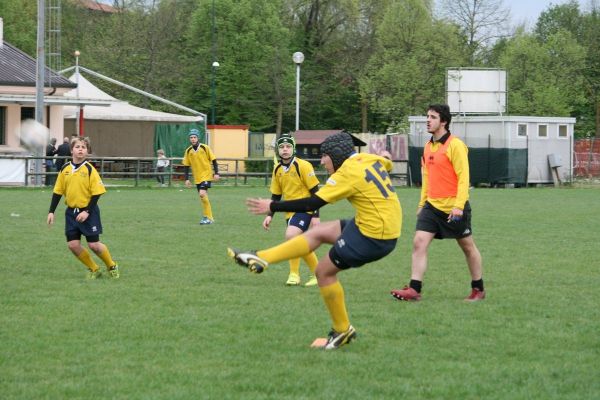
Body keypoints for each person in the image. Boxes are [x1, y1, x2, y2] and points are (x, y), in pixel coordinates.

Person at [228, 132, 402, 350]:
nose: (321, 161)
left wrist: (272, 206)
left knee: (323, 272)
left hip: (374, 235)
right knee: (317, 233)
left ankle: (343, 331)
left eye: (324, 156)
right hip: (379, 226)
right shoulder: (366, 158)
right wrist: (385, 154)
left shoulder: (348, 172)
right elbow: (386, 163)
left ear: (336, 156)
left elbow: (311, 203)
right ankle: (261, 258)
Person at [390, 104, 484, 302]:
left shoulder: (455, 145)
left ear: (444, 122)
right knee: (419, 242)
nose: (428, 120)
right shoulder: (428, 146)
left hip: (454, 208)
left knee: (467, 246)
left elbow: (463, 177)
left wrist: (458, 206)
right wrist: (421, 204)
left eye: (432, 117)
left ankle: (478, 288)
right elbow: (426, 178)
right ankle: (415, 289)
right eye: (427, 116)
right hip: (431, 207)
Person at [47, 137, 119, 280]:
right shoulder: (65, 169)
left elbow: (97, 192)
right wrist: (51, 211)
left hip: (88, 212)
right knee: (73, 245)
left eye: (84, 147)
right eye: (78, 146)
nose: (80, 149)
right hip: (71, 213)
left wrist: (87, 211)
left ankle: (111, 265)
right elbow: (58, 191)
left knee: (94, 245)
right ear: (71, 150)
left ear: (87, 151)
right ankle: (94, 269)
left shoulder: (89, 169)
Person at [264, 134, 321, 287]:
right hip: (289, 211)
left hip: (306, 208)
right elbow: (276, 195)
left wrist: (316, 215)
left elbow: (316, 192)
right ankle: (318, 274)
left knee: (291, 236)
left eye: (288, 146)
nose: (285, 150)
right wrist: (270, 215)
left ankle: (294, 274)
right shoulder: (277, 169)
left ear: (293, 148)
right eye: (282, 147)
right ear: (278, 150)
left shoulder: (303, 165)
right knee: (299, 243)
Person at [182, 128, 220, 225]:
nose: (193, 139)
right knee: (203, 197)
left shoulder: (205, 147)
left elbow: (214, 160)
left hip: (206, 175)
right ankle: (209, 218)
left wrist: (216, 173)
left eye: (194, 137)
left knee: (202, 194)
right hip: (197, 178)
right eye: (191, 137)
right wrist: (186, 179)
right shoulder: (188, 151)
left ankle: (208, 217)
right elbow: (186, 166)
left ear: (198, 138)